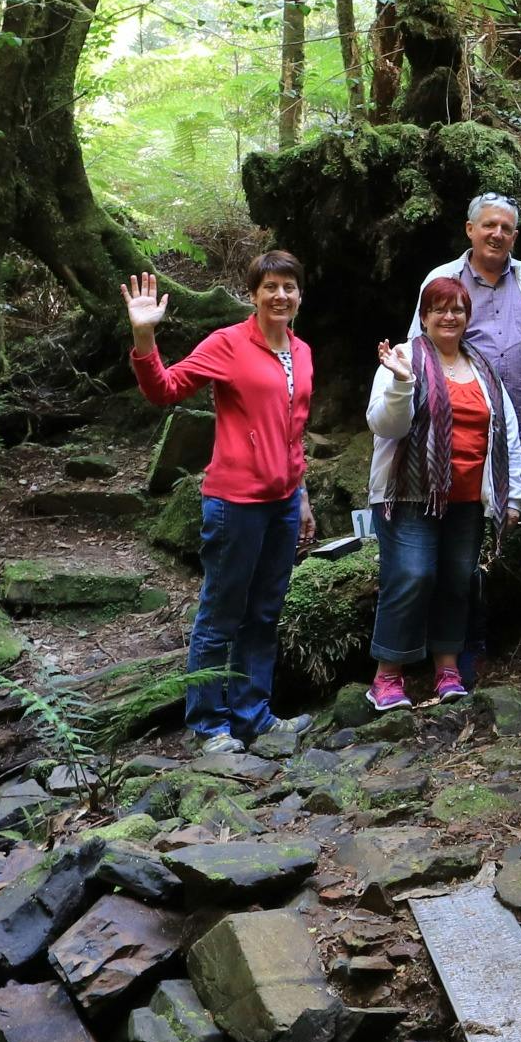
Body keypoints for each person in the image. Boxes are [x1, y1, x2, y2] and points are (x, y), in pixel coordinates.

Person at [130, 251, 313, 745]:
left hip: (282, 503)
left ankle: (255, 716)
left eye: (289, 287)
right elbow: (165, 389)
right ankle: (209, 724)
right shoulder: (228, 343)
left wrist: (301, 495)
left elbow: (294, 432)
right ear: (252, 294)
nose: (280, 295)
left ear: (299, 295)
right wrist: (144, 337)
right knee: (220, 615)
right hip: (235, 504)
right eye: (270, 287)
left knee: (265, 612)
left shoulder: (302, 351)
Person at [416, 192, 521, 675]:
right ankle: (470, 644)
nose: (497, 234)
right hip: (467, 441)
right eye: (488, 225)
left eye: (506, 228)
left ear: (515, 235)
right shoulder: (442, 281)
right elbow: (418, 351)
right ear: (470, 229)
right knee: (464, 546)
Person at [365, 274, 517, 707]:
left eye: (457, 309)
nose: (449, 317)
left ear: (468, 316)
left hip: (467, 499)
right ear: (424, 315)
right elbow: (384, 425)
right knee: (411, 575)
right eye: (439, 309)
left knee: (457, 581)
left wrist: (513, 495)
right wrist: (401, 383)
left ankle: (447, 668)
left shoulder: (482, 367)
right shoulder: (403, 357)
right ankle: (386, 677)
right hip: (409, 495)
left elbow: (506, 433)